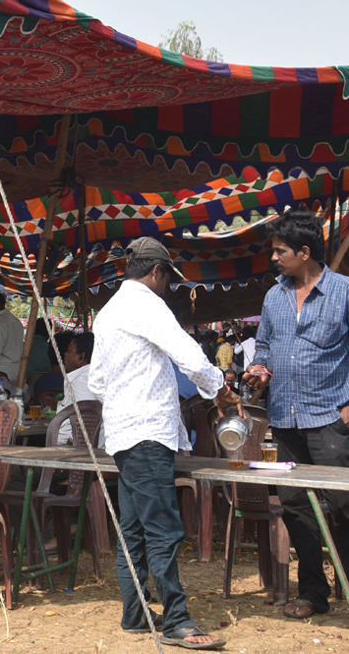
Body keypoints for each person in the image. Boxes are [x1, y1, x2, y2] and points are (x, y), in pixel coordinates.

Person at [88, 236, 236, 649]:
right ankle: (176, 619)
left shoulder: (109, 311)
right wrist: (220, 388)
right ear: (157, 272)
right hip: (148, 431)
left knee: (134, 528)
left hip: (121, 432)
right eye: (168, 278)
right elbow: (189, 355)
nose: (167, 285)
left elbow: (96, 380)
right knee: (162, 529)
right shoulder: (147, 304)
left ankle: (135, 613)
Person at [243, 210, 349, 625]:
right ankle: (313, 593)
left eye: (280, 251)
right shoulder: (274, 296)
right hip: (284, 419)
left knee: (346, 507)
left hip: (329, 418)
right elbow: (265, 347)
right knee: (296, 508)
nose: (274, 258)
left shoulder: (348, 292)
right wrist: (259, 369)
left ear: (304, 253)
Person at [54, 332, 99, 444]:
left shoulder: (81, 382)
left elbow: (86, 420)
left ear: (81, 357)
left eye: (69, 351)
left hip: (74, 449)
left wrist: (72, 446)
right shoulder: (95, 376)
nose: (65, 354)